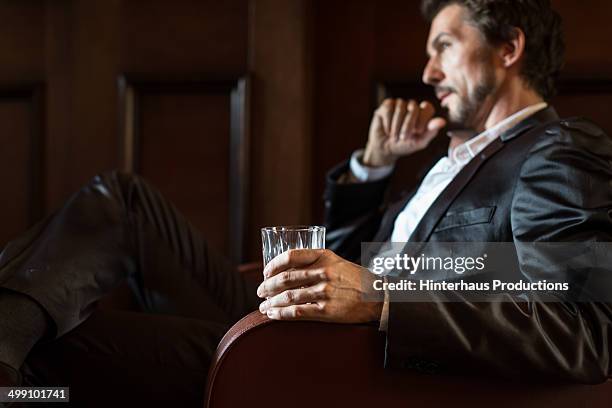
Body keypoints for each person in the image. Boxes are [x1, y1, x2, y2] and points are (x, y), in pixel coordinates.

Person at [0, 0, 610, 404]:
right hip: (306, 320)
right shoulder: (453, 162)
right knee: (121, 201)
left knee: (63, 348)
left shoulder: (555, 150)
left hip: (356, 367)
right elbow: (355, 265)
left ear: (509, 50)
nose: (426, 72)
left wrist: (380, 294)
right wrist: (373, 167)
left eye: (444, 46)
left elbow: (579, 324)